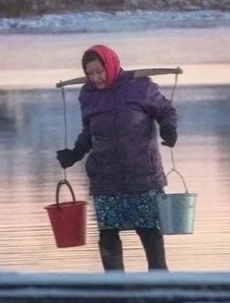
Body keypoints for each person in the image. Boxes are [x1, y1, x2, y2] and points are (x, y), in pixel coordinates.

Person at [56, 44, 179, 272]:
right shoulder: (88, 95)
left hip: (142, 174)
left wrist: (168, 129)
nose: (95, 78)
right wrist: (75, 153)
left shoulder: (140, 87)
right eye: (90, 74)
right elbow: (89, 132)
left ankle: (160, 285)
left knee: (149, 231)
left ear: (110, 65)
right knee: (108, 235)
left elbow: (165, 110)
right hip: (105, 177)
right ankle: (115, 287)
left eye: (99, 72)